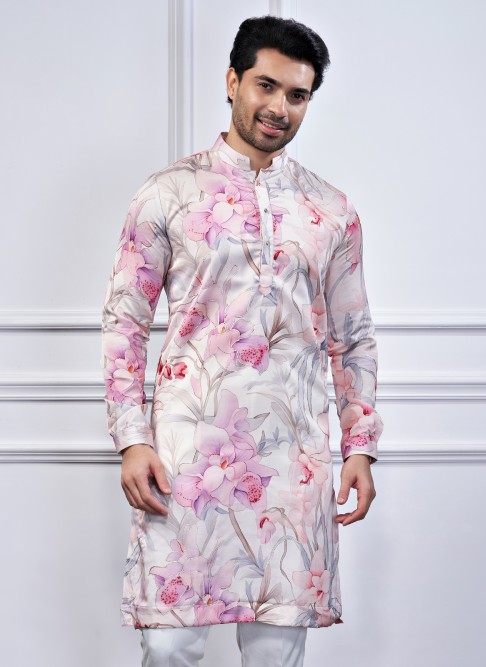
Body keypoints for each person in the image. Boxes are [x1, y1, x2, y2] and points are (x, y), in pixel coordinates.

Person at [101, 14, 384, 667]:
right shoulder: (168, 193)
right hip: (186, 458)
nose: (280, 107)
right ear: (233, 82)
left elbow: (353, 336)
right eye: (266, 86)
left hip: (292, 464)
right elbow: (125, 321)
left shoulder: (330, 209)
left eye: (298, 94)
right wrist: (132, 438)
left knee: (276, 649)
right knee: (169, 645)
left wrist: (361, 446)